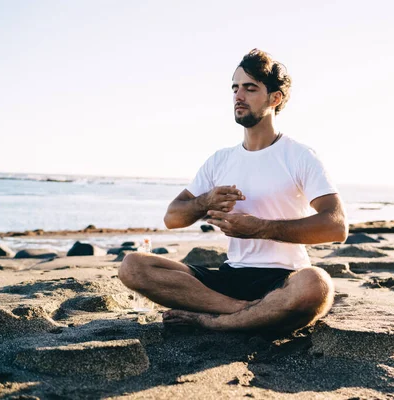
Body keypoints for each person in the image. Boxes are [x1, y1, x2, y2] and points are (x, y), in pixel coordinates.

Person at [119, 49, 348, 333]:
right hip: (229, 279)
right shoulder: (220, 160)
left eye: (250, 88)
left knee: (317, 284)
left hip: (283, 279)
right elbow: (172, 218)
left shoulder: (300, 156)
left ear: (274, 98)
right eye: (235, 88)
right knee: (132, 265)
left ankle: (210, 320)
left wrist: (261, 228)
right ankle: (240, 313)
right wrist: (204, 201)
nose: (238, 96)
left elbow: (336, 226)